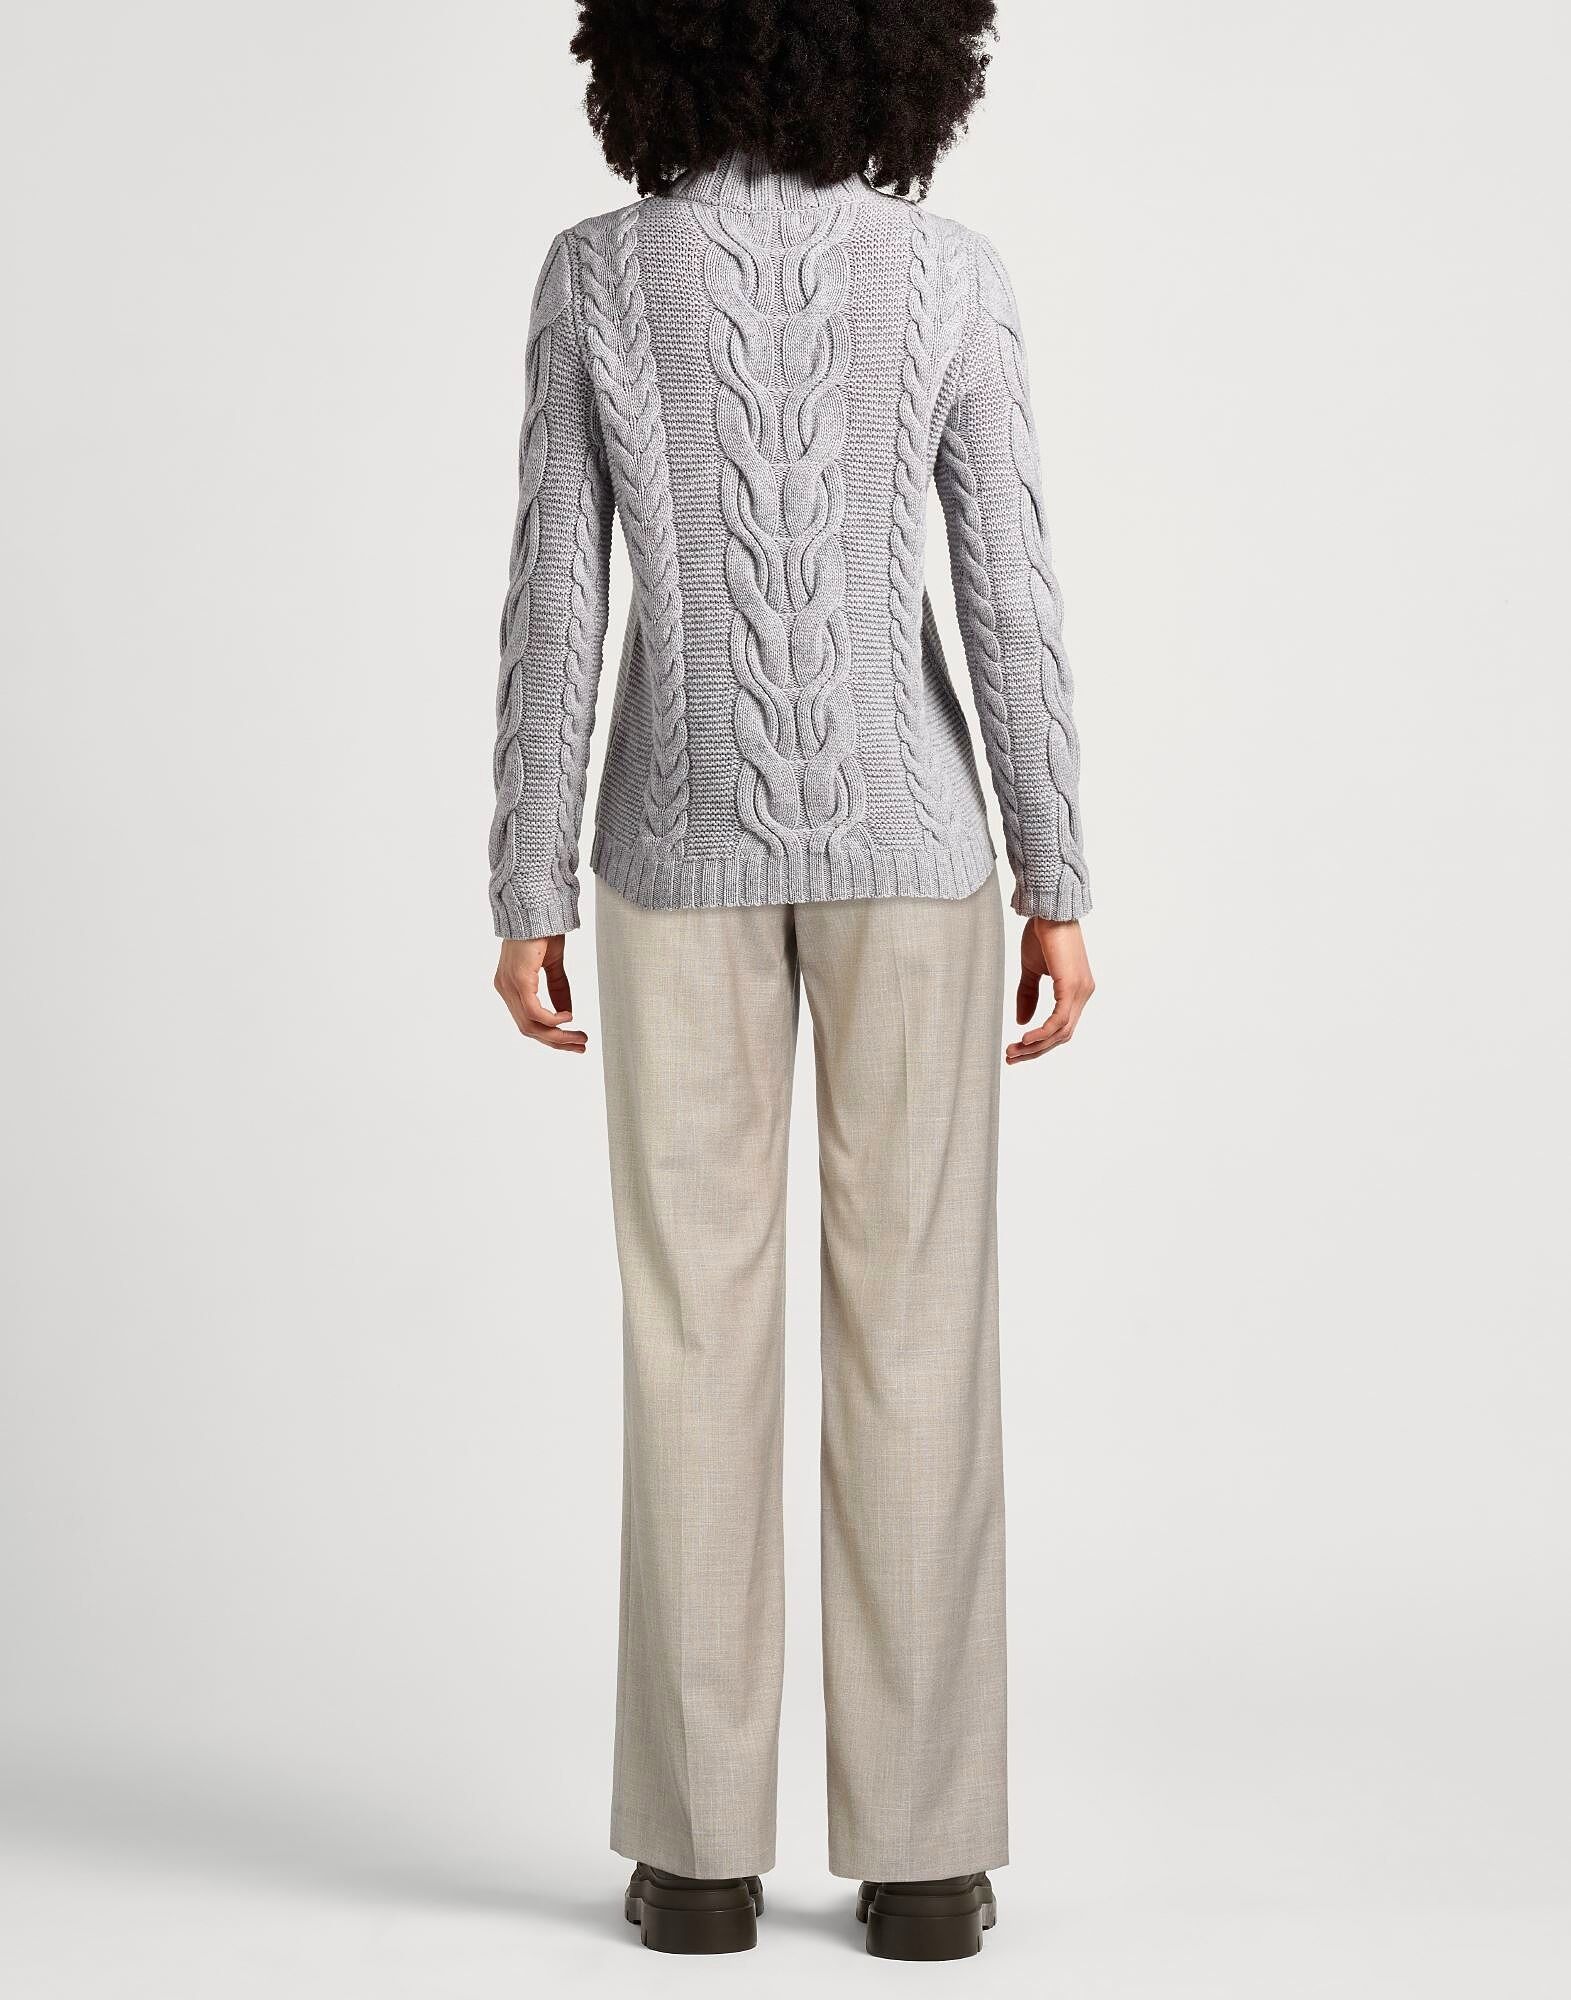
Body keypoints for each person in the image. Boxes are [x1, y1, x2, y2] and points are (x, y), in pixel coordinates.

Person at [488, 0, 1095, 1961]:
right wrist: (1059, 872)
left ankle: (695, 1861)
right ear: (908, 53)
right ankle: (924, 1863)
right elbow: (1006, 594)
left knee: (693, 1330)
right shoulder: (947, 274)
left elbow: (556, 596)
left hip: (666, 852)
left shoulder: (599, 275)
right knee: (920, 1326)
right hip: (920, 855)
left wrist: (525, 879)